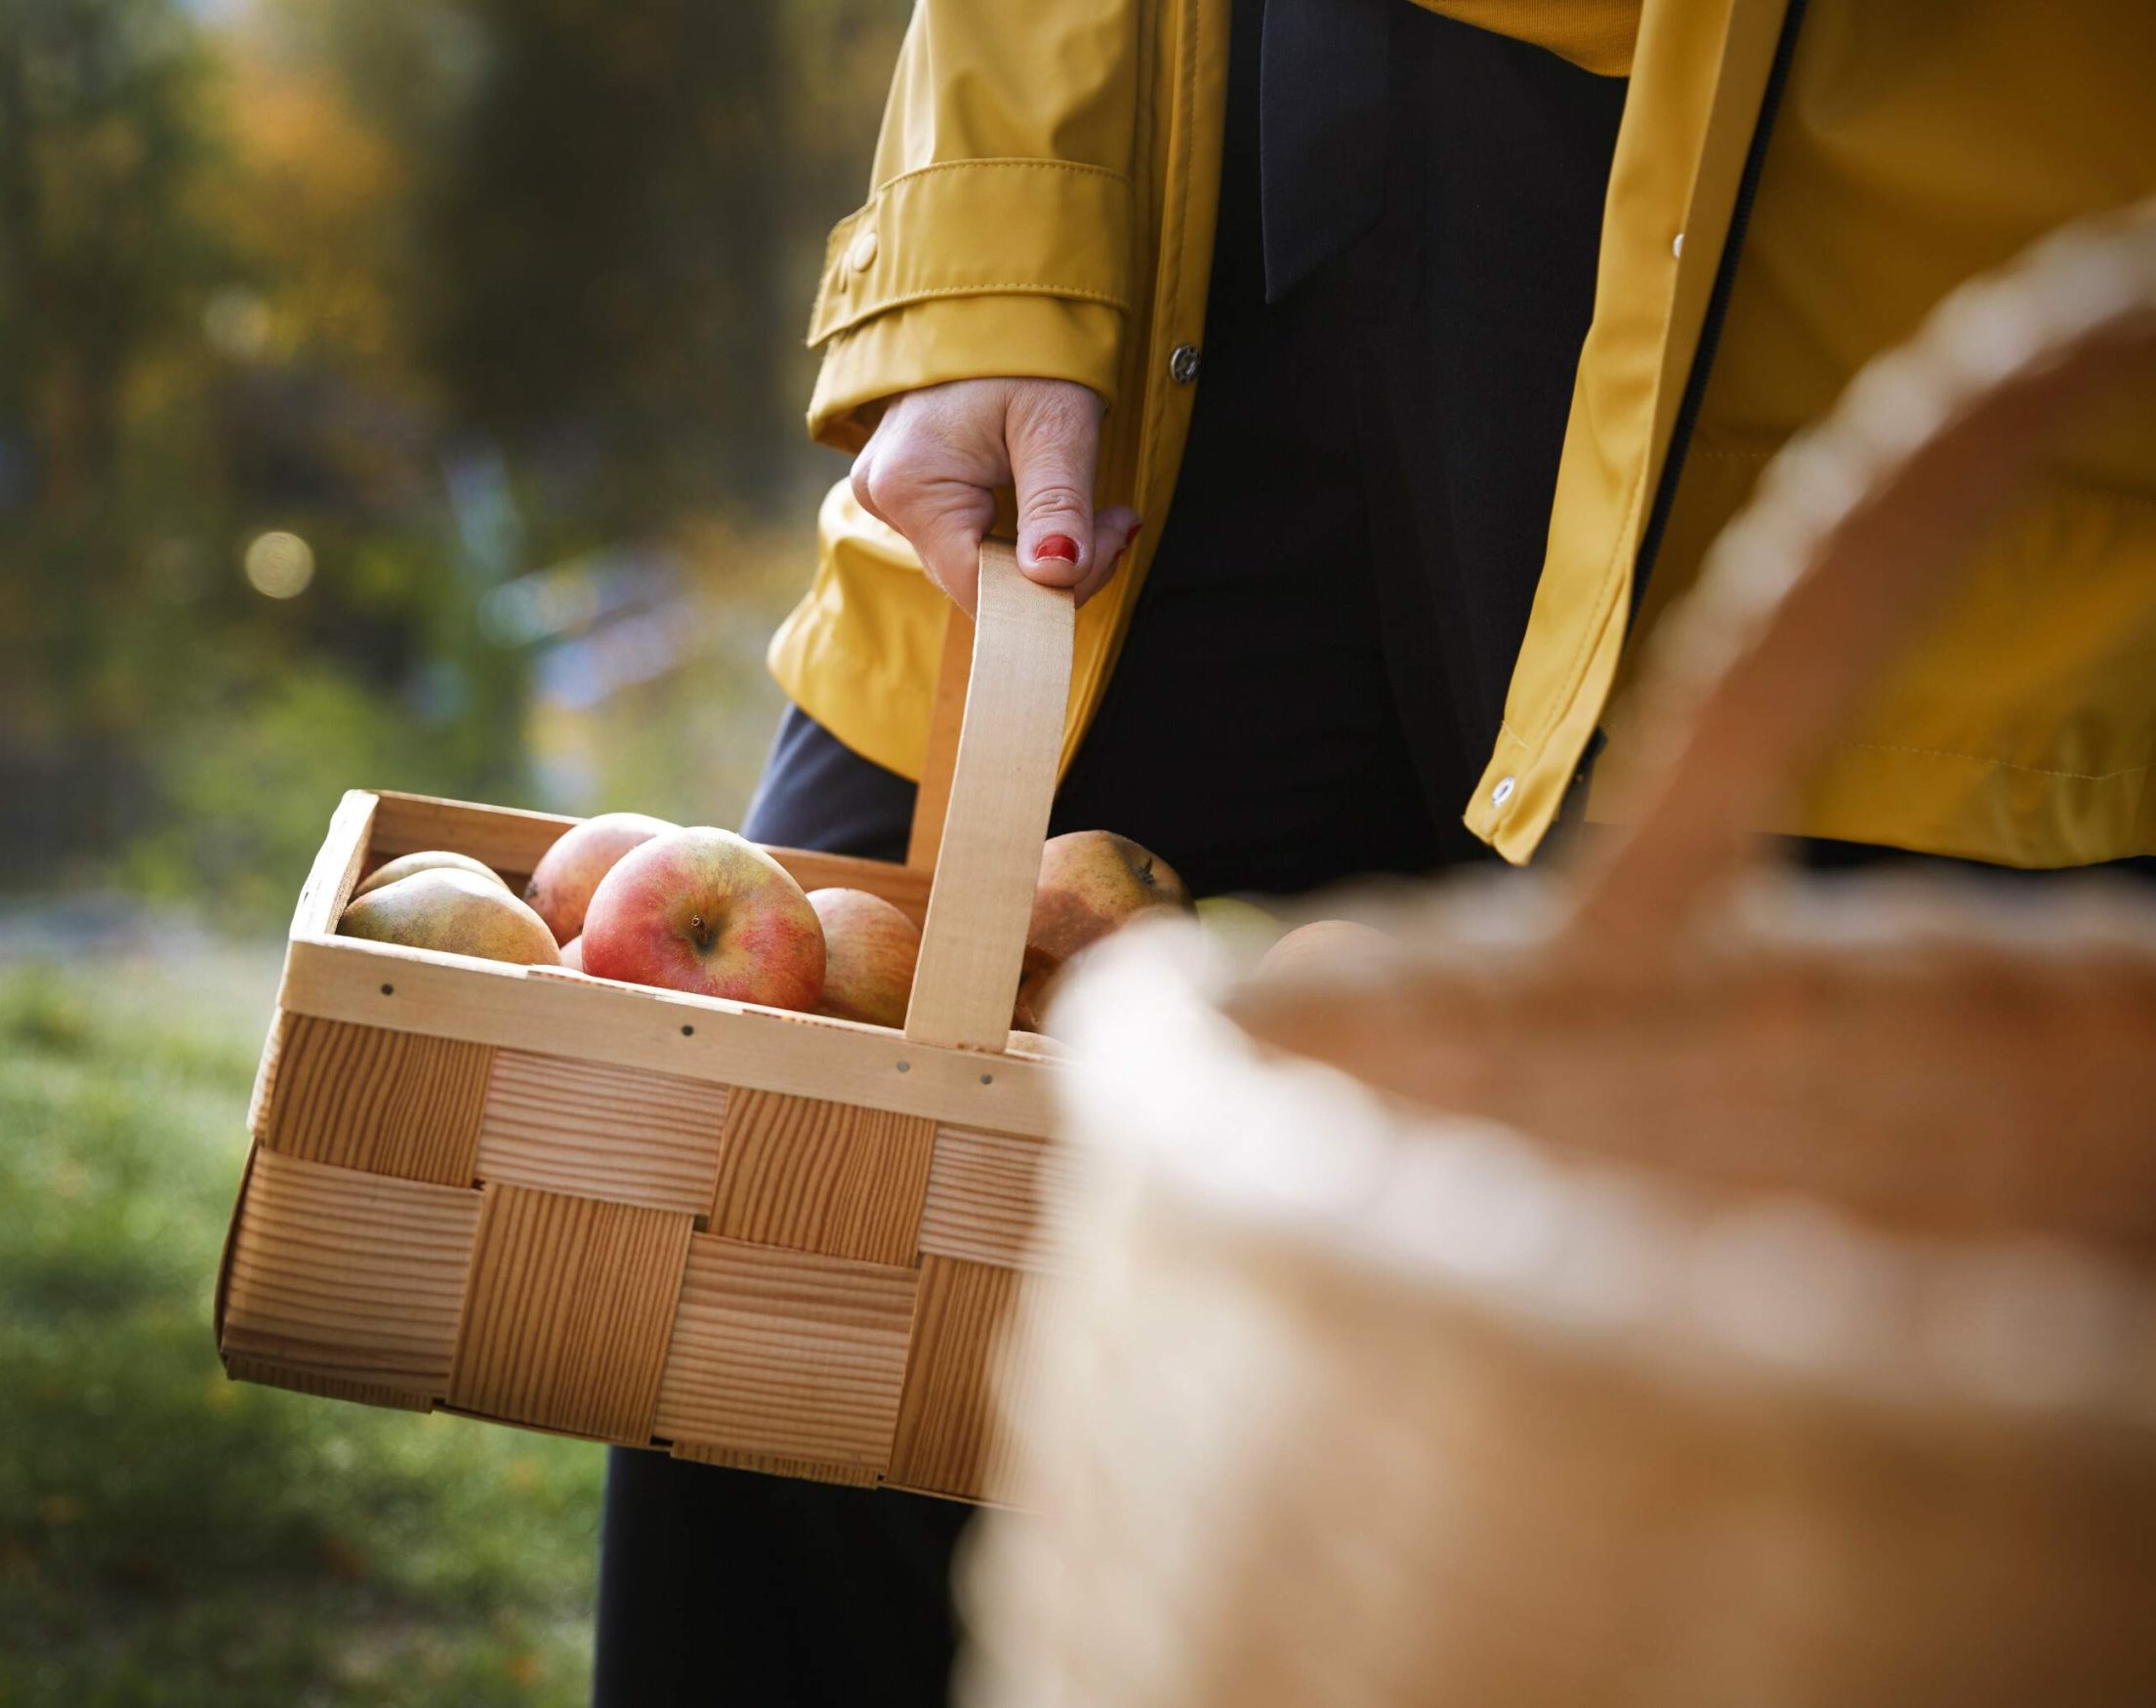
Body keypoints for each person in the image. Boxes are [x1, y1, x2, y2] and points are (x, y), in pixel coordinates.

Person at [594, 1, 2156, 1702]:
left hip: (1875, 326)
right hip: (1205, 202)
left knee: (1786, 1453)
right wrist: (988, 259)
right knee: (771, 1238)